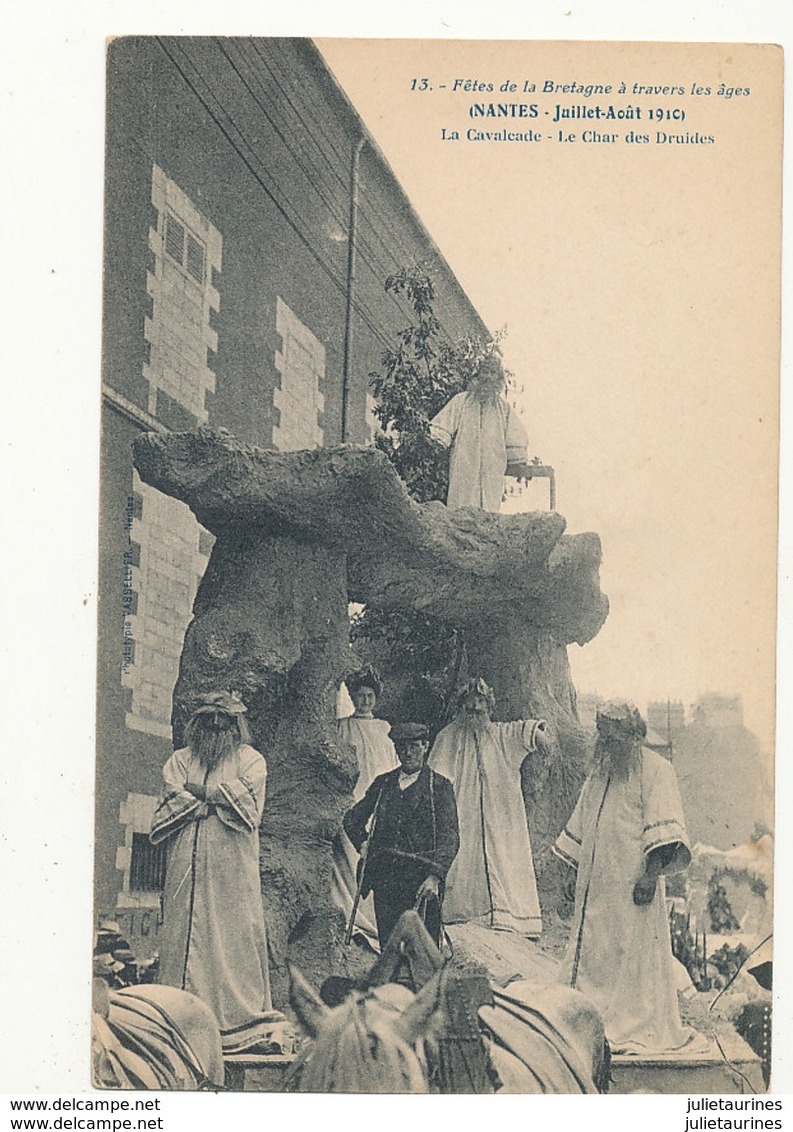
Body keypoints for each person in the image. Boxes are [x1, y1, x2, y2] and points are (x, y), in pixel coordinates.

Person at [553, 700, 707, 1055]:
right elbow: (581, 824)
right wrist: (571, 871)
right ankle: (589, 1019)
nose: (607, 745)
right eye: (603, 737)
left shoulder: (657, 770)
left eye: (615, 739)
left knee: (629, 957)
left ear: (633, 736)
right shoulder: (599, 773)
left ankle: (627, 1023)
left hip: (632, 886)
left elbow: (666, 828)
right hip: (595, 888)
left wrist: (650, 877)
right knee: (594, 950)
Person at [150, 691, 282, 1056]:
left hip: (231, 866)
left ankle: (237, 1021)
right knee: (183, 930)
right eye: (208, 721)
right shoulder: (181, 759)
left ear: (236, 726)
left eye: (224, 722)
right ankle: (178, 1018)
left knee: (232, 930)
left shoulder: (251, 760)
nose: (215, 728)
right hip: (186, 862)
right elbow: (171, 795)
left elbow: (248, 803)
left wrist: (202, 793)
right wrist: (214, 799)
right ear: (198, 724)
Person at [428, 677, 549, 936]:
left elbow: (524, 731)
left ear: (489, 707)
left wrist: (540, 737)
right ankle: (461, 918)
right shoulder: (447, 737)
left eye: (481, 703)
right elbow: (434, 781)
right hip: (462, 815)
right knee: (462, 862)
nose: (475, 707)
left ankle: (507, 919)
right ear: (461, 707)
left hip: (499, 818)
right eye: (470, 704)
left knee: (503, 860)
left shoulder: (501, 735)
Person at [343, 723, 460, 948]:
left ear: (426, 747)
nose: (407, 753)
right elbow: (352, 819)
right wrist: (363, 843)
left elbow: (450, 837)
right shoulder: (383, 783)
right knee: (390, 946)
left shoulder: (440, 787)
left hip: (421, 880)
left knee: (423, 949)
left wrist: (435, 877)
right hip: (385, 877)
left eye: (414, 747)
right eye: (401, 747)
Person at [331, 668, 398, 944]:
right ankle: (353, 913)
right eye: (360, 696)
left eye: (370, 696)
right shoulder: (342, 726)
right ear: (353, 697)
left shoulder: (384, 728)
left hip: (380, 792)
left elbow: (392, 762)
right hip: (354, 793)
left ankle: (378, 919)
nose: (366, 701)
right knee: (353, 848)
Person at [429, 354, 528, 512]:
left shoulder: (504, 409)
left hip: (491, 468)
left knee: (488, 511)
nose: (488, 377)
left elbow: (515, 440)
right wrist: (438, 439)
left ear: (498, 379)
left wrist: (516, 457)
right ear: (478, 375)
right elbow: (441, 429)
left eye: (492, 373)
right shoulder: (461, 401)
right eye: (485, 372)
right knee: (461, 508)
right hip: (464, 465)